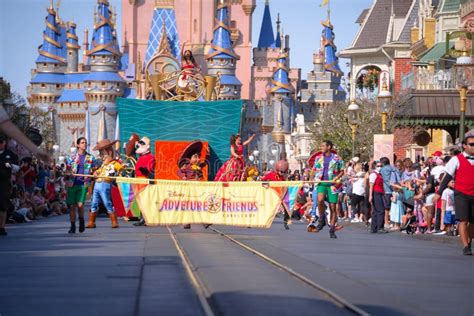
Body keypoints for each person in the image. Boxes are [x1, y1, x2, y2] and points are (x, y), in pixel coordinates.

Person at [435, 130, 474, 255]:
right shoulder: (456, 160)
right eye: (472, 144)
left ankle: (469, 241)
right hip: (461, 193)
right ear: (465, 146)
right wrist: (439, 192)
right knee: (463, 220)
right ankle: (465, 246)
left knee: (472, 222)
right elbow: (447, 177)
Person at [310, 140, 344, 238]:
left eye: (323, 146)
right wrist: (312, 178)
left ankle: (332, 229)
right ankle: (322, 219)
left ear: (329, 147)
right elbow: (314, 170)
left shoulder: (337, 158)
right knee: (320, 200)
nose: (321, 148)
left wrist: (336, 178)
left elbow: (342, 171)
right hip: (321, 183)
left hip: (332, 184)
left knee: (333, 207)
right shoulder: (318, 158)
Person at [87, 139, 123, 229]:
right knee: (94, 203)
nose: (101, 156)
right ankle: (91, 222)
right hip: (97, 184)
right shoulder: (103, 164)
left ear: (109, 152)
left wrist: (119, 168)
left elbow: (121, 169)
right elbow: (99, 171)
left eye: (103, 153)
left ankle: (114, 221)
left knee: (107, 202)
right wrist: (95, 173)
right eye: (101, 153)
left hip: (105, 184)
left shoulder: (114, 163)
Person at [64, 137, 97, 234]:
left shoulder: (90, 157)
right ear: (78, 145)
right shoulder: (71, 158)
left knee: (80, 204)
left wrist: (95, 173)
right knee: (72, 206)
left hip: (83, 183)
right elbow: (67, 170)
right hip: (72, 183)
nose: (84, 144)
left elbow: (95, 169)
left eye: (85, 143)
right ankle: (73, 226)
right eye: (82, 143)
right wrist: (68, 172)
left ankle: (81, 220)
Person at [261, 160, 289, 229]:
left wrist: (284, 195)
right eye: (281, 172)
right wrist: (266, 186)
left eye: (284, 172)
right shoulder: (271, 174)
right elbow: (262, 180)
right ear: (277, 170)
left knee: (287, 208)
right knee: (266, 207)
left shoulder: (284, 177)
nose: (282, 173)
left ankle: (286, 221)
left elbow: (286, 185)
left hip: (281, 194)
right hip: (272, 194)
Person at [0, 135, 19, 236]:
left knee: (3, 205)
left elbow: (17, 168)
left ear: (4, 143)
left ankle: (2, 227)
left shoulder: (9, 154)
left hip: (4, 182)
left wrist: (10, 165)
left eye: (1, 142)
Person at [369, 161, 388, 234]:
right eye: (378, 166)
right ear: (375, 166)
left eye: (381, 165)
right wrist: (370, 196)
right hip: (376, 193)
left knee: (376, 211)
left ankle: (374, 228)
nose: (380, 167)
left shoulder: (379, 174)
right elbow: (371, 185)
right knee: (380, 210)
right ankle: (380, 227)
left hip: (380, 193)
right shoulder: (373, 174)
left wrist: (384, 192)